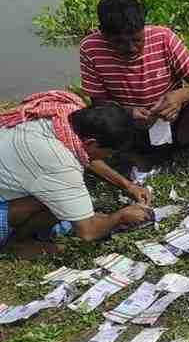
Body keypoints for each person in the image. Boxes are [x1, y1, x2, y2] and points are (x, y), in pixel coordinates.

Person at [79, 0, 189, 174]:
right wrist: (129, 112)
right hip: (130, 129)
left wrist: (179, 97)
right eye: (120, 43)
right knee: (91, 125)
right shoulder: (90, 48)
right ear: (103, 33)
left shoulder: (164, 38)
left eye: (137, 40)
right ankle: (136, 157)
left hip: (172, 123)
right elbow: (99, 105)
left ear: (143, 27)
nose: (131, 48)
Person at [0, 91, 152, 258]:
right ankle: (17, 243)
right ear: (91, 143)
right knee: (53, 201)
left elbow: (86, 155)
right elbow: (88, 231)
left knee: (61, 197)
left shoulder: (63, 113)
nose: (107, 158)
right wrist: (119, 217)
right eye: (108, 154)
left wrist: (128, 185)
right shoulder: (59, 162)